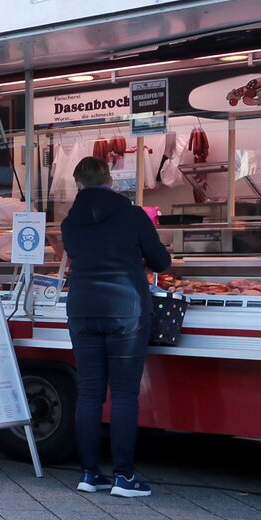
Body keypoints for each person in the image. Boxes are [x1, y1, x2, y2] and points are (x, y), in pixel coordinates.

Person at [61, 155, 170, 497]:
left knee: (90, 393)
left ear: (78, 183)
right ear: (109, 179)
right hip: (125, 309)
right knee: (123, 393)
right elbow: (161, 261)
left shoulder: (69, 223)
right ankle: (124, 476)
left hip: (81, 308)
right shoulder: (131, 214)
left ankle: (89, 474)